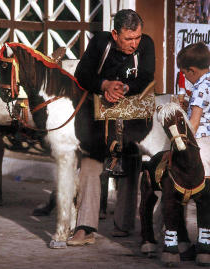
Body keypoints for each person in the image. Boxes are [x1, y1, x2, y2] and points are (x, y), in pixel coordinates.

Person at [69, 9, 155, 245]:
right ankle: (85, 227)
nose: (134, 44)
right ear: (115, 34)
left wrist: (126, 88)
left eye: (137, 37)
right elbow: (82, 74)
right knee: (89, 166)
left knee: (130, 162)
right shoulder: (100, 43)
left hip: (131, 118)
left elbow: (147, 76)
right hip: (97, 121)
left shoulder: (146, 45)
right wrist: (105, 84)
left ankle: (124, 225)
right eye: (129, 39)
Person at [177, 42, 210, 257]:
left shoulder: (200, 86)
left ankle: (203, 243)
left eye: (184, 73)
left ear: (192, 70)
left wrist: (181, 139)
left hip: (202, 143)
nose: (185, 78)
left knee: (202, 195)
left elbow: (195, 122)